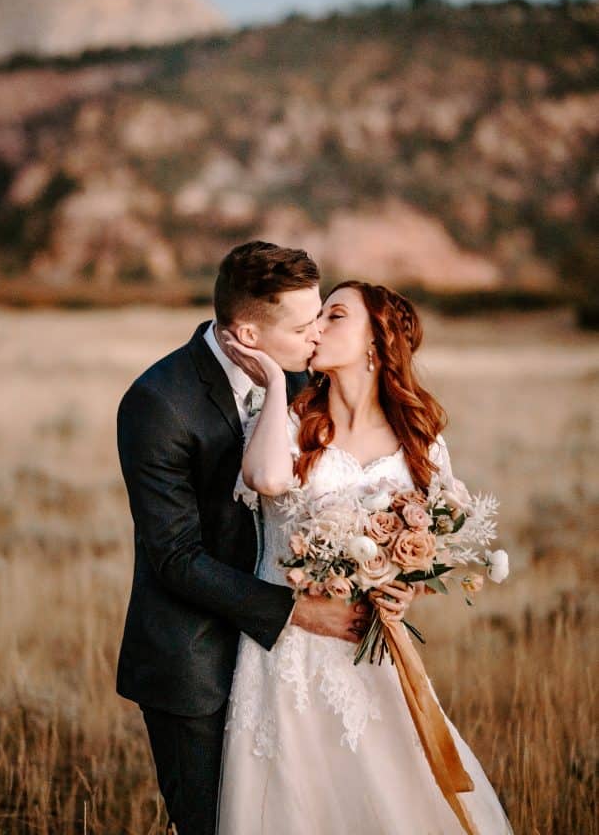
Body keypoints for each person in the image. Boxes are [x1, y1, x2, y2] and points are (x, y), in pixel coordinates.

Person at [217, 280, 513, 835]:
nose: (316, 328)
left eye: (335, 315)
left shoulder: (420, 444)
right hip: (286, 654)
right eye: (315, 318)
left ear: (377, 340)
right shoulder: (285, 419)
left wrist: (410, 588)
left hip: (369, 650)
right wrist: (278, 381)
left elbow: (433, 545)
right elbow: (264, 478)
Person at [116, 244, 372, 835]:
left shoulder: (310, 378)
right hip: (196, 662)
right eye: (304, 325)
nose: (317, 336)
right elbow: (176, 558)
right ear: (249, 335)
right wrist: (304, 614)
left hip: (295, 668)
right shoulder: (159, 403)